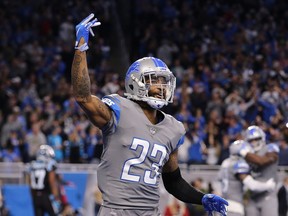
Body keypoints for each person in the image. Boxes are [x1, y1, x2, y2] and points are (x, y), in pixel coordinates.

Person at [71, 13, 228, 216]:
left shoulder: (173, 128)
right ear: (136, 82)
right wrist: (81, 48)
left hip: (151, 212)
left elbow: (173, 181)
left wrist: (201, 198)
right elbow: (83, 97)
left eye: (164, 82)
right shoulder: (118, 110)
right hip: (117, 211)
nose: (161, 87)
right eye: (155, 81)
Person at [219, 140, 276, 216]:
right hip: (234, 206)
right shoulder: (238, 164)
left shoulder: (225, 162)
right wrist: (267, 185)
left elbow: (217, 182)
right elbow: (252, 185)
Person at [237, 125, 279, 216]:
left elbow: (261, 161)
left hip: (268, 196)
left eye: (256, 139)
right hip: (252, 197)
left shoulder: (270, 148)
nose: (254, 142)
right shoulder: (246, 157)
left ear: (262, 138)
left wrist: (244, 153)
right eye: (251, 140)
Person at [26, 145, 61, 216]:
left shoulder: (32, 165)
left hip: (36, 196)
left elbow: (29, 183)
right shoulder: (49, 164)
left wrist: (33, 196)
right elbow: (52, 181)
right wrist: (56, 197)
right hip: (46, 196)